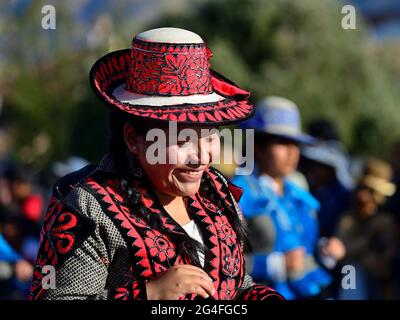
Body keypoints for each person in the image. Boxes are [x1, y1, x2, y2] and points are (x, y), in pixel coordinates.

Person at [29, 27, 283, 300]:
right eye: (182, 140)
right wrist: (150, 294)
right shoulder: (90, 207)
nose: (201, 157)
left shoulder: (217, 192)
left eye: (210, 136)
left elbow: (237, 287)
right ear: (134, 139)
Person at [233, 97, 346, 299]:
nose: (292, 151)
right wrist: (275, 264)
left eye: (295, 143)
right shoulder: (236, 193)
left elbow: (305, 247)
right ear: (258, 146)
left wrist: (324, 249)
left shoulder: (298, 193)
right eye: (282, 142)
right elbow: (224, 262)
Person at [336, 158, 398, 299]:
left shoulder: (387, 222)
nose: (363, 196)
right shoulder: (348, 219)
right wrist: (368, 236)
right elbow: (344, 252)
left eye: (370, 191)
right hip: (351, 286)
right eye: (362, 189)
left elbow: (383, 267)